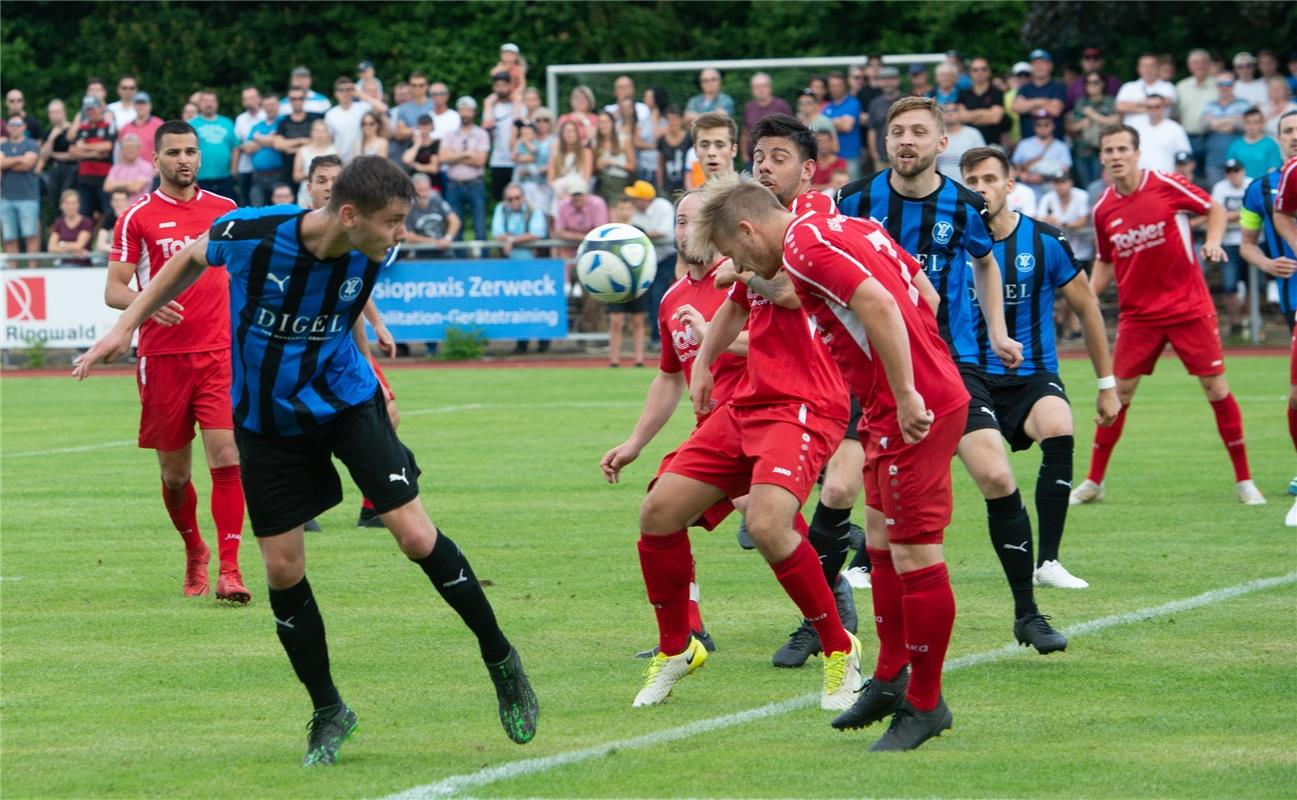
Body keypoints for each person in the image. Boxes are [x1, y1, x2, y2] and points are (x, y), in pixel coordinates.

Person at [73, 155, 539, 765]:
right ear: (349, 215)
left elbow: (349, 314)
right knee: (284, 570)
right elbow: (189, 258)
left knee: (415, 535)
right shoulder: (256, 233)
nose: (401, 234)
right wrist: (124, 328)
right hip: (268, 422)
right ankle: (328, 709)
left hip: (346, 401)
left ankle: (500, 657)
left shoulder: (372, 251)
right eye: (394, 221)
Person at [692, 176, 960, 750]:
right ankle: (890, 677)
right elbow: (925, 295)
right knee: (884, 544)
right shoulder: (848, 225)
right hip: (899, 403)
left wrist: (909, 390)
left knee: (915, 551)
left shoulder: (802, 248)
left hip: (911, 405)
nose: (743, 268)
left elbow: (880, 303)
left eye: (739, 256)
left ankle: (926, 704)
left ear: (747, 229)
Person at [838, 98, 1075, 653]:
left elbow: (985, 261)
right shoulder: (854, 200)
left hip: (950, 363)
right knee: (846, 495)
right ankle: (818, 624)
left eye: (918, 131)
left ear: (941, 143)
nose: (906, 140)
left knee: (995, 475)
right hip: (875, 368)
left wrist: (996, 331)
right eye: (896, 131)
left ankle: (1027, 614)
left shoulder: (965, 205)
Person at [628, 171, 861, 714]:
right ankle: (676, 647)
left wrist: (744, 273)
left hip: (804, 404)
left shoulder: (808, 239)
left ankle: (838, 648)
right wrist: (706, 362)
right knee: (658, 512)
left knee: (766, 523)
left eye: (730, 247)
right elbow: (733, 304)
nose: (725, 260)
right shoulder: (750, 260)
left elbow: (783, 290)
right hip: (748, 404)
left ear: (747, 229)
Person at [1071, 124, 1264, 508]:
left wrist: (1210, 241)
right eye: (1108, 150)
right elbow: (1105, 260)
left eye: (1122, 148)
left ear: (1137, 153)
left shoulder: (1165, 184)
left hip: (1188, 307)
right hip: (1138, 316)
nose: (1115, 155)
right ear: (1102, 158)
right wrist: (1087, 300)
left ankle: (1245, 481)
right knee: (1117, 393)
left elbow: (1212, 208)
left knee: (1217, 389)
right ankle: (1094, 481)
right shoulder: (1102, 209)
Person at [98, 119, 248, 600]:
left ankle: (230, 570)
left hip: (220, 354)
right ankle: (194, 551)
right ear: (157, 159)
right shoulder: (137, 215)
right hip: (162, 359)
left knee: (227, 456)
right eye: (174, 152)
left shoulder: (226, 212)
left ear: (200, 158)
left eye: (191, 151)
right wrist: (148, 299)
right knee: (175, 476)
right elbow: (114, 290)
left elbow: (246, 273)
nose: (183, 159)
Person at [959, 146, 1119, 597]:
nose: (981, 189)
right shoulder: (949, 243)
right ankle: (872, 560)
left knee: (1059, 427)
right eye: (971, 182)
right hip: (969, 374)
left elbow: (1088, 310)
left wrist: (1106, 385)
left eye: (989, 179)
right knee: (917, 455)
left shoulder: (1046, 241)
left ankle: (1048, 560)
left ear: (1010, 185)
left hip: (1032, 374)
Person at [599, 190, 746, 658]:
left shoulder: (745, 280)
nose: (686, 230)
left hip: (756, 419)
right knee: (664, 507)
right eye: (679, 222)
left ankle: (829, 614)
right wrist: (635, 442)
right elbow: (668, 378)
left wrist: (714, 338)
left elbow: (777, 343)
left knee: (766, 523)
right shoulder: (673, 299)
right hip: (710, 431)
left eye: (696, 220)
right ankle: (688, 631)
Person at [746, 114, 862, 665]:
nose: (764, 166)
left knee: (834, 497)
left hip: (846, 374)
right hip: (786, 384)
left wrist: (742, 273)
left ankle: (835, 620)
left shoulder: (813, 215)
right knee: (772, 512)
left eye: (778, 157)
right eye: (760, 157)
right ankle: (826, 615)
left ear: (808, 170)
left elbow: (791, 291)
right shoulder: (756, 221)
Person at [1240, 111, 1297, 336]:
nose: (1294, 136)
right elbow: (1247, 244)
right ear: (1279, 138)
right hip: (1293, 294)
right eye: (1288, 131)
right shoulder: (1259, 188)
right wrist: (1266, 264)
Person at [625, 179, 676, 333]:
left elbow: (664, 232)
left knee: (658, 295)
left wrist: (642, 235)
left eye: (636, 198)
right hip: (649, 259)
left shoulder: (663, 206)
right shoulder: (636, 213)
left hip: (667, 256)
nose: (633, 201)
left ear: (645, 199)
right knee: (647, 297)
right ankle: (656, 333)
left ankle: (657, 335)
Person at [1209, 159, 1250, 336]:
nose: (1233, 175)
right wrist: (1243, 215)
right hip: (1228, 242)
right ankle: (1236, 322)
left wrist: (1229, 216)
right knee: (1228, 285)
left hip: (1252, 241)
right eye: (1230, 171)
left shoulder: (1251, 184)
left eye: (1237, 171)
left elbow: (1258, 212)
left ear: (1243, 171)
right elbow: (1217, 214)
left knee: (1255, 285)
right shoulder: (1220, 187)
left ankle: (1249, 317)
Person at [441, 96, 491, 242]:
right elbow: (443, 158)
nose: (465, 114)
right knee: (456, 227)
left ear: (474, 112)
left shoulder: (481, 133)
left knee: (480, 226)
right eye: (462, 110)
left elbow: (480, 161)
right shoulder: (450, 134)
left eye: (468, 110)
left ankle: (483, 260)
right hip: (453, 184)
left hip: (475, 184)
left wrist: (454, 156)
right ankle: (456, 262)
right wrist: (466, 154)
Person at [553, 176, 608, 296]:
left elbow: (600, 232)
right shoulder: (563, 205)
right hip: (571, 244)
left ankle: (581, 282)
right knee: (563, 248)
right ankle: (566, 284)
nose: (577, 197)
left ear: (586, 193)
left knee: (589, 250)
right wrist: (581, 237)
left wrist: (580, 238)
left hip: (592, 246)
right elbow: (559, 232)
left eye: (580, 194)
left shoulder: (597, 204)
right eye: (574, 194)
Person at [1068, 71, 1121, 189]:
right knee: (1085, 187)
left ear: (1102, 84)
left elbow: (1116, 121)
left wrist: (1093, 115)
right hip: (1081, 152)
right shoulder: (1080, 103)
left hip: (1102, 153)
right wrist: (1081, 124)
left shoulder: (1110, 101)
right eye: (1088, 82)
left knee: (1100, 187)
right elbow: (1070, 127)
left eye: (1096, 82)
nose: (1092, 85)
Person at [1, 116, 42, 257]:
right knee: (9, 238)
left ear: (24, 127)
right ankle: (12, 274)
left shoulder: (31, 144)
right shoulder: (3, 146)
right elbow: (1, 164)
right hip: (6, 198)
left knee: (31, 236)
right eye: (11, 124)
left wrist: (7, 163)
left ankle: (31, 272)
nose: (14, 127)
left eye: (18, 124)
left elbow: (28, 165)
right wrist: (20, 158)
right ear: (7, 127)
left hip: (28, 198)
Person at [71, 96, 116, 220]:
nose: (91, 112)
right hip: (84, 178)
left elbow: (107, 146)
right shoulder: (83, 127)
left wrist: (85, 147)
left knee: (107, 213)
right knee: (85, 214)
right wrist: (94, 154)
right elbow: (73, 150)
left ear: (100, 108)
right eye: (88, 110)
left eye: (93, 109)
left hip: (104, 177)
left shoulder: (108, 125)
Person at [1201, 73, 1250, 186]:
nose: (1224, 87)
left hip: (1239, 159)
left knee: (1241, 195)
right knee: (1216, 196)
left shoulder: (1244, 103)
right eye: (1220, 84)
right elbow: (1204, 125)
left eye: (1228, 83)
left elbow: (1244, 124)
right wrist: (1232, 119)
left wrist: (1216, 122)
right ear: (1216, 86)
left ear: (1233, 85)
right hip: (1214, 159)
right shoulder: (1210, 104)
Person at [191, 92, 239, 199]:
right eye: (205, 101)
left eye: (212, 101)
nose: (209, 104)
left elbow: (235, 147)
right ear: (199, 104)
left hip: (225, 177)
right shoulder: (191, 124)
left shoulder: (227, 122)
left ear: (217, 103)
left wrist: (234, 170)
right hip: (200, 178)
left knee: (227, 211)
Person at [1130, 92, 1191, 174]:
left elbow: (1184, 156)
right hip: (1141, 178)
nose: (1153, 109)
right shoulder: (1136, 128)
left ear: (1164, 107)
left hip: (1166, 178)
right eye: (1150, 107)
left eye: (1157, 106)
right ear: (1145, 108)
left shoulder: (1175, 128)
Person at [1011, 110, 1072, 193]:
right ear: (1034, 127)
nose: (1042, 128)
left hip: (1052, 189)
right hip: (1027, 188)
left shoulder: (1061, 146)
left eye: (1046, 124)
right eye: (1038, 125)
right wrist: (1021, 175)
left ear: (1053, 126)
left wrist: (1044, 177)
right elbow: (1014, 167)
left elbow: (1065, 170)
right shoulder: (1024, 144)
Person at [1011, 50, 1066, 140]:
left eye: (1043, 63)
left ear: (1050, 66)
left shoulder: (1058, 87)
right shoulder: (1024, 88)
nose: (1039, 67)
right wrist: (1042, 102)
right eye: (1035, 64)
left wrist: (1028, 105)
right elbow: (1016, 107)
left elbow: (1055, 110)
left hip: (1053, 146)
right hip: (1027, 145)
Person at [1176, 49, 1217, 162]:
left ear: (1209, 64)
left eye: (1203, 62)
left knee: (1213, 173)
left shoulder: (1218, 85)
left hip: (1213, 137)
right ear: (1189, 66)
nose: (1200, 65)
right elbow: (1176, 115)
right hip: (1189, 138)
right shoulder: (1181, 87)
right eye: (1195, 62)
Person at [482, 72, 519, 201]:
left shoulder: (519, 105)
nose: (501, 88)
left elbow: (519, 125)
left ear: (510, 86)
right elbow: (487, 133)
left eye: (504, 85)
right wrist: (487, 105)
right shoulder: (492, 107)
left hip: (517, 160)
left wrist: (517, 101)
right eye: (497, 85)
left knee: (518, 198)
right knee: (500, 199)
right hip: (498, 160)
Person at [741, 72, 791, 165]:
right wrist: (744, 155)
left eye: (764, 86)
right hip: (753, 160)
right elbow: (745, 132)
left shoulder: (781, 106)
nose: (761, 90)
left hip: (777, 160)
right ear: (752, 90)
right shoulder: (748, 107)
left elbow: (791, 133)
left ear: (770, 87)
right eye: (757, 87)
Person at [275, 88, 323, 186]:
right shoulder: (283, 122)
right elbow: (278, 144)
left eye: (300, 98)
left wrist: (290, 147)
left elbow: (320, 141)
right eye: (293, 99)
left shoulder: (314, 119)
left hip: (310, 170)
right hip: (288, 170)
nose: (297, 101)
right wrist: (301, 141)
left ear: (304, 99)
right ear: (289, 100)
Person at [404, 172, 461, 254]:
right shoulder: (408, 208)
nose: (424, 194)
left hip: (444, 251)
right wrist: (434, 242)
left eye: (426, 189)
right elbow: (408, 236)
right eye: (420, 190)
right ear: (412, 191)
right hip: (421, 254)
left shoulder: (437, 200)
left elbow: (455, 221)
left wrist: (447, 238)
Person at [957, 57, 1008, 147]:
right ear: (970, 73)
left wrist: (971, 116)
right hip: (968, 145)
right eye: (975, 70)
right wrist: (986, 113)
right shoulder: (963, 93)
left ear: (989, 72)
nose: (980, 73)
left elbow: (995, 118)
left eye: (983, 69)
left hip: (992, 144)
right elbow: (962, 117)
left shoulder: (997, 93)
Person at [1116, 53, 1178, 127]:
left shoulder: (1168, 86)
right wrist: (1153, 107)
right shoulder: (1128, 86)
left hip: (1160, 133)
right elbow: (1120, 107)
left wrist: (1133, 105)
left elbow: (1167, 102)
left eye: (1152, 66)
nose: (1148, 69)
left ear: (1158, 68)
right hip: (1133, 132)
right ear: (1138, 69)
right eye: (1145, 66)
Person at [244, 94, 284, 206]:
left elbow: (278, 144)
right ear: (263, 107)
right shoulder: (257, 126)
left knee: (279, 211)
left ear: (278, 106)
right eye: (267, 105)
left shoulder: (284, 122)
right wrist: (270, 139)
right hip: (258, 177)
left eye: (273, 105)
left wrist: (258, 138)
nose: (270, 108)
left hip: (278, 175)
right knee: (258, 212)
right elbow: (248, 148)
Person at [325, 76, 375, 165]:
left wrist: (360, 93)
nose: (345, 93)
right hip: (339, 161)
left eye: (348, 89)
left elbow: (383, 109)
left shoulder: (362, 107)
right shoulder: (330, 114)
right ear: (336, 93)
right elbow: (328, 139)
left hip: (361, 160)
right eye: (341, 90)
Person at [491, 180, 546, 260]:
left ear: (523, 197)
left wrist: (511, 240)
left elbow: (537, 234)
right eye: (510, 199)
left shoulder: (534, 208)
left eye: (517, 198)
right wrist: (525, 237)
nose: (514, 201)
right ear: (505, 199)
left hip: (532, 258)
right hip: (507, 258)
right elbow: (497, 234)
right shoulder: (501, 208)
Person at [512, 110, 554, 213]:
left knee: (541, 210)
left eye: (546, 120)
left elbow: (535, 157)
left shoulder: (553, 140)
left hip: (543, 183)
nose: (541, 123)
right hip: (525, 182)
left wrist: (533, 169)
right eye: (538, 120)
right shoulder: (526, 140)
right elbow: (515, 156)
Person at [823, 72, 864, 178]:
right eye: (832, 85)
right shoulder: (827, 106)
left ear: (845, 86)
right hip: (831, 157)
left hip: (849, 155)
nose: (835, 88)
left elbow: (846, 127)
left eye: (838, 85)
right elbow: (821, 129)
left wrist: (829, 122)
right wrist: (837, 121)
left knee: (851, 189)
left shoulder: (853, 103)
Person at [39, 99, 79, 203]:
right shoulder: (48, 132)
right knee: (55, 202)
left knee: (67, 201)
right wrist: (51, 138)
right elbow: (44, 156)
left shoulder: (72, 130)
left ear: (64, 112)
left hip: (71, 170)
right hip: (53, 171)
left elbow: (74, 155)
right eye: (52, 112)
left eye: (58, 111)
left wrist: (54, 154)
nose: (55, 115)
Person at [389, 71, 434, 163]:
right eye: (414, 85)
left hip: (433, 152)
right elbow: (399, 133)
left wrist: (410, 130)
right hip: (410, 154)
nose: (417, 88)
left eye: (421, 85)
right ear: (409, 87)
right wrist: (415, 131)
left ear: (427, 86)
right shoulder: (404, 108)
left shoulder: (434, 105)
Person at [685, 111, 738, 189]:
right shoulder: (689, 200)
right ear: (695, 150)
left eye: (719, 145)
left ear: (733, 150)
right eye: (704, 145)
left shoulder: (752, 197)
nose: (711, 153)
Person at [1226, 107, 1282, 178]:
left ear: (1262, 124)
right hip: (1240, 188)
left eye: (1256, 122)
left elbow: (1274, 171)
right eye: (1248, 122)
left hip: (1263, 187)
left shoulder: (1271, 145)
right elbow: (1230, 171)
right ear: (1243, 124)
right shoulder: (1234, 146)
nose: (1251, 126)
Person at [292, 119, 338, 207]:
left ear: (327, 133)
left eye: (323, 131)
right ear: (311, 132)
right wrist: (314, 174)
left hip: (328, 193)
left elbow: (338, 174)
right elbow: (296, 176)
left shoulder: (333, 151)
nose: (319, 134)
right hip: (306, 193)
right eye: (317, 131)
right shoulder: (302, 151)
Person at [593, 110, 634, 206]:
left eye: (606, 122)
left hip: (618, 183)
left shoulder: (623, 140)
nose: (603, 125)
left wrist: (613, 163)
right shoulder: (595, 143)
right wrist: (598, 165)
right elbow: (593, 168)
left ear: (612, 123)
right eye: (600, 122)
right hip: (602, 183)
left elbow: (632, 166)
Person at [935, 103, 984, 182]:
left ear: (960, 113)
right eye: (945, 111)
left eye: (954, 110)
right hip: (942, 187)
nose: (950, 113)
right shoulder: (936, 136)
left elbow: (983, 160)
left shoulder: (973, 133)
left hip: (969, 187)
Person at [233, 86, 265, 202]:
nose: (248, 102)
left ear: (259, 99)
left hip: (263, 168)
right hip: (245, 167)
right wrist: (234, 169)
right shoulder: (240, 119)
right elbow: (237, 143)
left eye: (252, 98)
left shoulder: (266, 116)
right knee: (245, 201)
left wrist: (258, 145)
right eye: (245, 99)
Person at [103, 133, 155, 204]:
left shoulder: (146, 167)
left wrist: (115, 184)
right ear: (122, 150)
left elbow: (135, 187)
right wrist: (129, 183)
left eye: (132, 147)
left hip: (138, 208)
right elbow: (107, 187)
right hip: (118, 209)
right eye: (126, 148)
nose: (129, 150)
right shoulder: (117, 167)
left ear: (139, 149)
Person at [48, 188, 95, 264]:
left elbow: (79, 246)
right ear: (61, 205)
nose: (70, 206)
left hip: (83, 266)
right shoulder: (58, 222)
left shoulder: (86, 222)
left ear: (79, 205)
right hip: (63, 264)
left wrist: (61, 244)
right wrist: (73, 249)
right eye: (67, 203)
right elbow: (51, 247)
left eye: (73, 203)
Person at [867, 66, 902, 166]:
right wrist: (873, 152)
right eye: (884, 79)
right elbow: (871, 129)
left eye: (891, 79)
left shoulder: (906, 101)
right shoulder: (874, 103)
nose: (888, 82)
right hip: (881, 157)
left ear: (898, 80)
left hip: (902, 156)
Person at [548, 119, 592, 196]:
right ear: (562, 134)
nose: (569, 134)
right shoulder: (556, 154)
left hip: (579, 193)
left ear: (577, 134)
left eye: (572, 131)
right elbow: (550, 180)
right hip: (560, 194)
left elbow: (586, 178)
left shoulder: (585, 152)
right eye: (566, 131)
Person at [656, 106, 691, 196]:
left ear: (681, 120)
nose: (672, 123)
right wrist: (660, 186)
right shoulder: (662, 140)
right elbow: (660, 163)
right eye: (669, 119)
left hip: (685, 186)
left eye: (675, 119)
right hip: (668, 186)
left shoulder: (689, 139)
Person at [400, 114, 441, 187]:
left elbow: (434, 168)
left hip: (431, 184)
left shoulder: (436, 143)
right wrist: (418, 143)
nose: (424, 127)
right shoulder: (414, 143)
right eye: (422, 124)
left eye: (427, 124)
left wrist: (418, 166)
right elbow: (406, 160)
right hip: (414, 183)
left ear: (431, 126)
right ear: (418, 126)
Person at [94, 188, 133, 253]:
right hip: (112, 256)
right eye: (116, 200)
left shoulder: (134, 218)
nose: (119, 203)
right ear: (111, 202)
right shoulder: (109, 218)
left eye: (122, 200)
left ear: (128, 201)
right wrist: (120, 251)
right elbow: (100, 245)